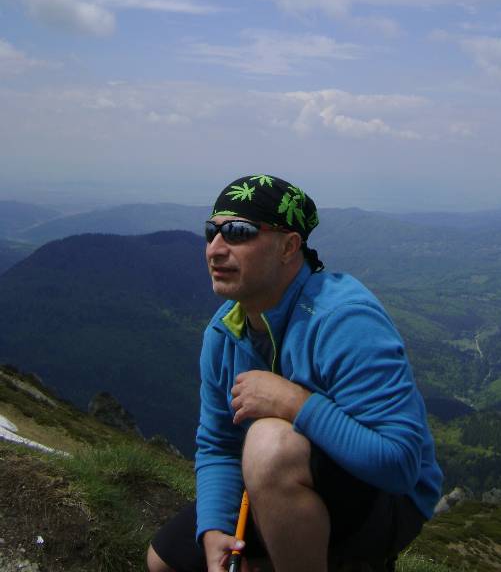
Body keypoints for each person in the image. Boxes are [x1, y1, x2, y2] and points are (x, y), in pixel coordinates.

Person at [148, 175, 442, 572]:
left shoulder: (344, 320)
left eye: (238, 232)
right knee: (163, 561)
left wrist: (294, 403)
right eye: (210, 232)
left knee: (269, 445)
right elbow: (218, 443)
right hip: (285, 478)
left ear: (288, 246)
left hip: (386, 500)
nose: (215, 249)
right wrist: (215, 530)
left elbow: (401, 466)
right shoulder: (224, 332)